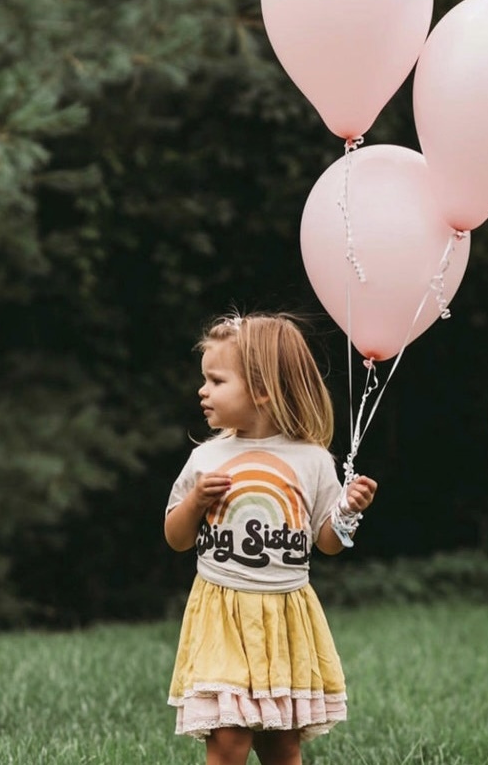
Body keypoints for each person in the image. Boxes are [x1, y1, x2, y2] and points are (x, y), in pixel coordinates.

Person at [164, 312, 378, 765]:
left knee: (282, 742)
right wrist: (197, 502)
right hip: (221, 611)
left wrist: (346, 511)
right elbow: (176, 538)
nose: (203, 391)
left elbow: (326, 543)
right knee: (227, 737)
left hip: (284, 613)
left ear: (262, 389)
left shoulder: (312, 461)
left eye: (217, 381)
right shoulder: (207, 458)